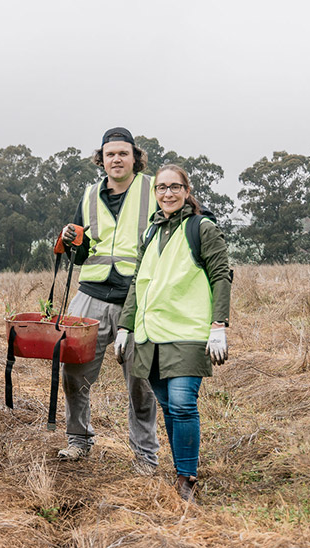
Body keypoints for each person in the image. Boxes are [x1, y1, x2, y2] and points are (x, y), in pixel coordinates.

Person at [117, 164, 231, 502]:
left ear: (187, 190)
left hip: (188, 332)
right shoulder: (151, 232)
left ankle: (187, 480)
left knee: (182, 404)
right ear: (155, 194)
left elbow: (222, 275)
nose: (168, 193)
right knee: (167, 405)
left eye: (175, 187)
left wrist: (219, 326)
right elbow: (139, 282)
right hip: (150, 335)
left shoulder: (201, 228)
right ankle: (183, 468)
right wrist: (126, 325)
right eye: (161, 188)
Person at [57, 127, 160, 475]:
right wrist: (72, 240)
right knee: (73, 372)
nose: (116, 159)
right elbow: (82, 252)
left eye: (123, 153)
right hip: (91, 296)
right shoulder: (88, 196)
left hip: (138, 297)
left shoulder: (153, 189)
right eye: (110, 154)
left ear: (135, 158)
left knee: (140, 382)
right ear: (100, 159)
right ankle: (78, 439)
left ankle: (145, 455)